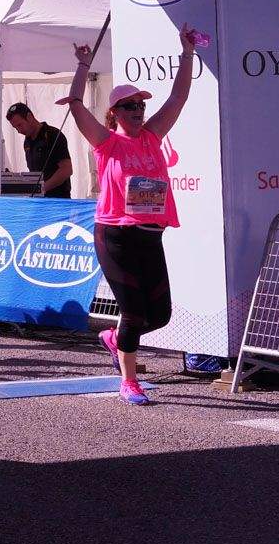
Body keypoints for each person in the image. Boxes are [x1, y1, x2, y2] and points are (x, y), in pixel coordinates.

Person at [66, 25, 198, 406]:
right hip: (116, 236)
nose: (138, 111)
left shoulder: (153, 135)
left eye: (140, 106)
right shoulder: (107, 142)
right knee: (133, 312)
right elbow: (75, 105)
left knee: (160, 315)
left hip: (150, 236)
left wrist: (187, 52)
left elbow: (179, 96)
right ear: (114, 112)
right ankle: (129, 381)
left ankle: (113, 338)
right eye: (129, 106)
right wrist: (83, 65)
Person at [5, 102, 73, 199]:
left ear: (29, 117)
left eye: (20, 125)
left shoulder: (53, 135)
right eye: (15, 128)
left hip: (57, 200)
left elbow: (66, 170)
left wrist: (42, 188)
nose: (19, 131)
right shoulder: (27, 142)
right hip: (37, 200)